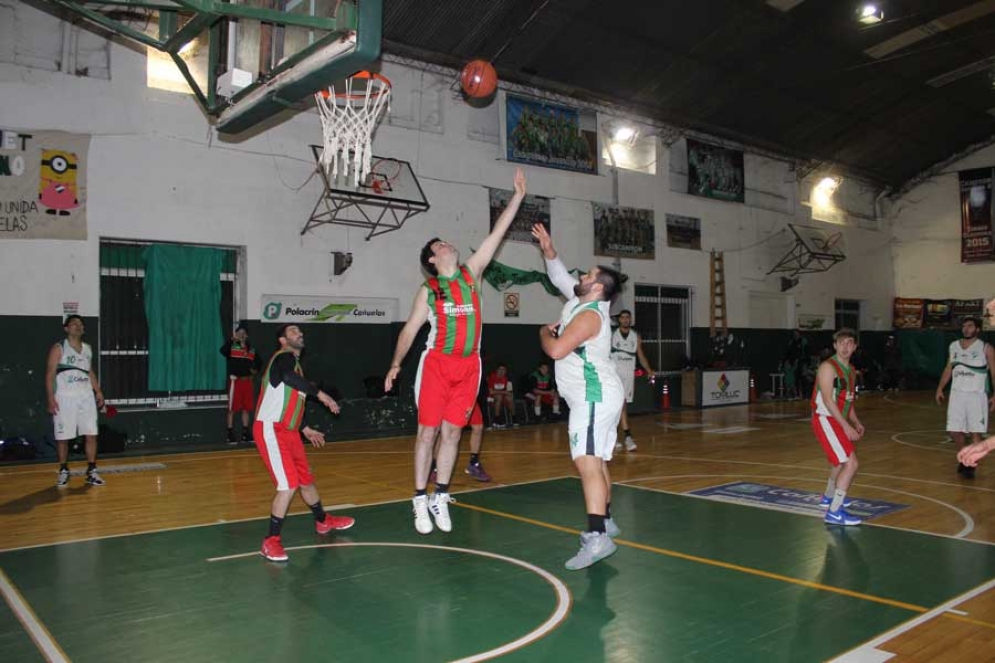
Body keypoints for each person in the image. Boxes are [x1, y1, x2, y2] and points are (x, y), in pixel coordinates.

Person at [385, 168, 527, 535]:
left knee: (453, 435)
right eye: (440, 244)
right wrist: (396, 363)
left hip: (470, 367)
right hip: (436, 365)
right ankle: (419, 498)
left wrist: (517, 198)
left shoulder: (472, 273)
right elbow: (410, 329)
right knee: (427, 434)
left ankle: (440, 495)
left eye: (446, 241)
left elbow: (497, 235)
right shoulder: (429, 290)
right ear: (433, 258)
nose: (447, 243)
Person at [533, 222, 626, 570]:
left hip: (592, 394)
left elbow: (555, 350)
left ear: (597, 286)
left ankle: (597, 536)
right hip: (596, 394)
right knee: (597, 462)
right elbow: (560, 276)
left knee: (586, 463)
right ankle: (608, 519)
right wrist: (548, 249)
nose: (580, 275)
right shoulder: (579, 301)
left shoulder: (589, 317)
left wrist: (542, 331)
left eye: (587, 274)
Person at [255, 324, 354, 562]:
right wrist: (320, 394)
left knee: (306, 481)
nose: (299, 334)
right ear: (282, 340)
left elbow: (291, 399)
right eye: (292, 331)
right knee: (288, 485)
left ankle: (323, 521)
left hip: (290, 431)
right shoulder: (283, 359)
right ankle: (270, 541)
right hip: (271, 428)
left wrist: (304, 428)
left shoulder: (296, 366)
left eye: (300, 331)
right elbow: (289, 379)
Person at [811, 328, 864, 526]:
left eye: (849, 342)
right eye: (841, 342)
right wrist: (845, 426)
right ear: (834, 346)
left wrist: (856, 422)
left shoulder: (851, 371)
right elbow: (827, 399)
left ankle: (828, 497)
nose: (845, 346)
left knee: (839, 462)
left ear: (855, 347)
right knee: (851, 463)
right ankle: (834, 512)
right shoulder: (828, 367)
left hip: (836, 419)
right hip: (825, 418)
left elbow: (847, 401)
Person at [45, 315, 106, 487]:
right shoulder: (59, 348)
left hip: (86, 396)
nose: (78, 326)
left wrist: (98, 391)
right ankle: (64, 469)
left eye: (80, 324)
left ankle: (92, 470)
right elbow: (50, 375)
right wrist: (50, 398)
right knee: (63, 437)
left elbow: (90, 371)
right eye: (74, 324)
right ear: (66, 328)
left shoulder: (87, 349)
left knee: (91, 434)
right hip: (65, 398)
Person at [935, 316, 995, 479]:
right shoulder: (953, 346)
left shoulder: (986, 348)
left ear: (977, 329)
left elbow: (994, 373)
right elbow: (949, 368)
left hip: (977, 396)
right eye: (964, 326)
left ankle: (971, 464)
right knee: (954, 431)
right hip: (957, 395)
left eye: (970, 326)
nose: (966, 329)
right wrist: (940, 388)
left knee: (976, 432)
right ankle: (964, 455)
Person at [610, 309, 655, 452]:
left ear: (630, 320)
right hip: (614, 374)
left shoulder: (635, 337)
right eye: (622, 317)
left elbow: (641, 356)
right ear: (619, 320)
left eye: (627, 317)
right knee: (619, 404)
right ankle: (627, 436)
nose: (625, 320)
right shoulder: (611, 335)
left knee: (620, 405)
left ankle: (614, 437)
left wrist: (649, 370)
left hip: (629, 374)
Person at [220, 322, 262, 444]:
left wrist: (255, 370)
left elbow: (259, 362)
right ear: (236, 334)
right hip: (235, 382)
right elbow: (222, 351)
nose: (242, 335)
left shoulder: (251, 350)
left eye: (244, 333)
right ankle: (230, 434)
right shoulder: (232, 347)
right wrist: (232, 340)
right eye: (239, 333)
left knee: (246, 408)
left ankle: (245, 433)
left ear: (247, 336)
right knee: (232, 409)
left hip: (247, 382)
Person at [487, 363, 514, 428]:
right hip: (490, 397)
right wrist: (504, 392)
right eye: (500, 369)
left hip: (501, 396)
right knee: (499, 396)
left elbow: (509, 391)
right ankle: (496, 420)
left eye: (503, 370)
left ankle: (514, 418)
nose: (502, 371)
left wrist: (508, 393)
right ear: (497, 370)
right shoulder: (492, 376)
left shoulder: (506, 378)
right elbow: (491, 392)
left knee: (509, 398)